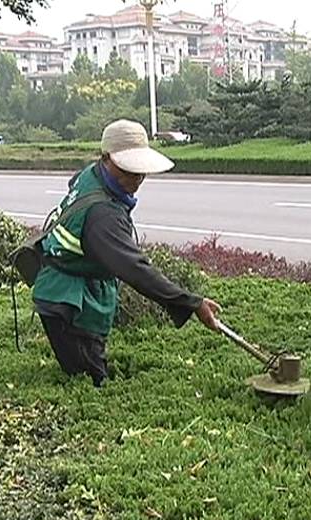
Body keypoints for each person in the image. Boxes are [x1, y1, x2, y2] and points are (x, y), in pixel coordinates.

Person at [32, 119, 221, 387]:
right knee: (91, 381)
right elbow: (135, 269)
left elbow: (74, 182)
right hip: (69, 303)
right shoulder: (103, 214)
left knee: (89, 372)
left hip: (77, 289)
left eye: (140, 170)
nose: (137, 178)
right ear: (106, 158)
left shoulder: (92, 174)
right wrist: (191, 303)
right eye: (129, 169)